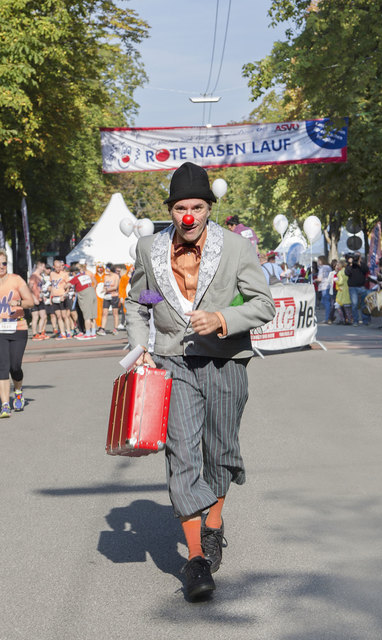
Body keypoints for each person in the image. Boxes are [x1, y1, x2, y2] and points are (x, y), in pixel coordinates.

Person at [125, 162, 275, 601]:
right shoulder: (149, 249)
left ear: (209, 208)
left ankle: (213, 522)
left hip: (227, 361)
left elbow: (263, 304)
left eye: (196, 206)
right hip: (174, 361)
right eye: (179, 208)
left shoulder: (236, 248)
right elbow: (139, 300)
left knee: (221, 450)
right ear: (170, 211)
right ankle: (196, 560)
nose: (188, 215)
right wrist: (141, 345)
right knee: (183, 454)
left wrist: (224, 318)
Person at [0, 248, 34, 417]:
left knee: (15, 367)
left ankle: (18, 391)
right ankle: (5, 405)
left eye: (4, 263)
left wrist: (18, 301)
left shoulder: (16, 280)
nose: (1, 266)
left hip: (18, 328)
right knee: (2, 367)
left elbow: (31, 302)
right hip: (0, 330)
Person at [68, 264, 98, 340]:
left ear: (74, 273)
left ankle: (87, 334)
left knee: (87, 316)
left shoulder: (76, 277)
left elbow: (67, 284)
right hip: (92, 293)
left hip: (85, 295)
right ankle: (93, 333)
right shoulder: (86, 275)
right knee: (92, 316)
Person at [345, 252, 369, 326]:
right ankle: (355, 321)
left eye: (357, 256)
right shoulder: (350, 265)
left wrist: (359, 263)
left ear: (360, 257)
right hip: (353, 287)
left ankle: (365, 321)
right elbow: (347, 273)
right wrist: (350, 264)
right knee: (354, 304)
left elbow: (366, 270)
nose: (355, 258)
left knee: (364, 304)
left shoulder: (362, 264)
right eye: (354, 256)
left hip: (361, 286)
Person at [49, 259, 71, 339]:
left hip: (62, 296)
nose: (58, 269)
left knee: (64, 316)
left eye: (59, 267)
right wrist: (50, 297)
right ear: (54, 267)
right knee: (58, 316)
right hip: (55, 297)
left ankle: (68, 332)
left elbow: (68, 285)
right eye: (56, 267)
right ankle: (62, 333)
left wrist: (65, 295)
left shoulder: (64, 274)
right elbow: (52, 286)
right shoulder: (52, 274)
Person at [28, 260, 49, 340]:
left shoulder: (40, 276)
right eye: (43, 266)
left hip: (40, 299)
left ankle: (40, 332)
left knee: (44, 316)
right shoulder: (33, 276)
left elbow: (40, 288)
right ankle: (34, 334)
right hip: (34, 300)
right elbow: (29, 289)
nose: (44, 268)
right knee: (35, 317)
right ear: (39, 266)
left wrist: (42, 296)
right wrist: (34, 298)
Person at [98, 263, 120, 335]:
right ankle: (102, 328)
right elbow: (104, 286)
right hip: (106, 296)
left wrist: (107, 290)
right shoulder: (106, 277)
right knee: (104, 313)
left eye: (107, 268)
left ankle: (115, 328)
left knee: (115, 313)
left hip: (114, 296)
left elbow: (115, 287)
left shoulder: (116, 276)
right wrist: (104, 290)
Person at [315, 255, 332, 323]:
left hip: (324, 286)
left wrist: (315, 280)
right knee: (325, 301)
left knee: (325, 302)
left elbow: (320, 278)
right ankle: (329, 317)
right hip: (328, 285)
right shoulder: (328, 267)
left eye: (319, 260)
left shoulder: (322, 268)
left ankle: (328, 318)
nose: (318, 262)